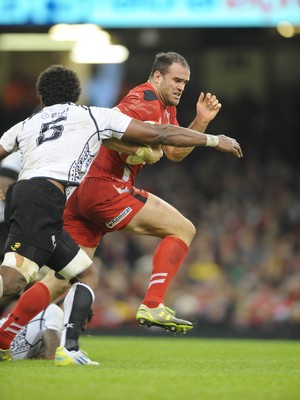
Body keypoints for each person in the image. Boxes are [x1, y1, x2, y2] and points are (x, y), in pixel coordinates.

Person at [0, 54, 242, 354]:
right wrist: (146, 150)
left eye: (184, 83)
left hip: (79, 194)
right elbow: (106, 135)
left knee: (64, 279)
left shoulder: (166, 108)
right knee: (183, 229)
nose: (181, 87)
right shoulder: (143, 98)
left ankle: (5, 336)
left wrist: (200, 122)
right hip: (104, 187)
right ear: (157, 77)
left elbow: (173, 152)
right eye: (176, 80)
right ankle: (153, 303)